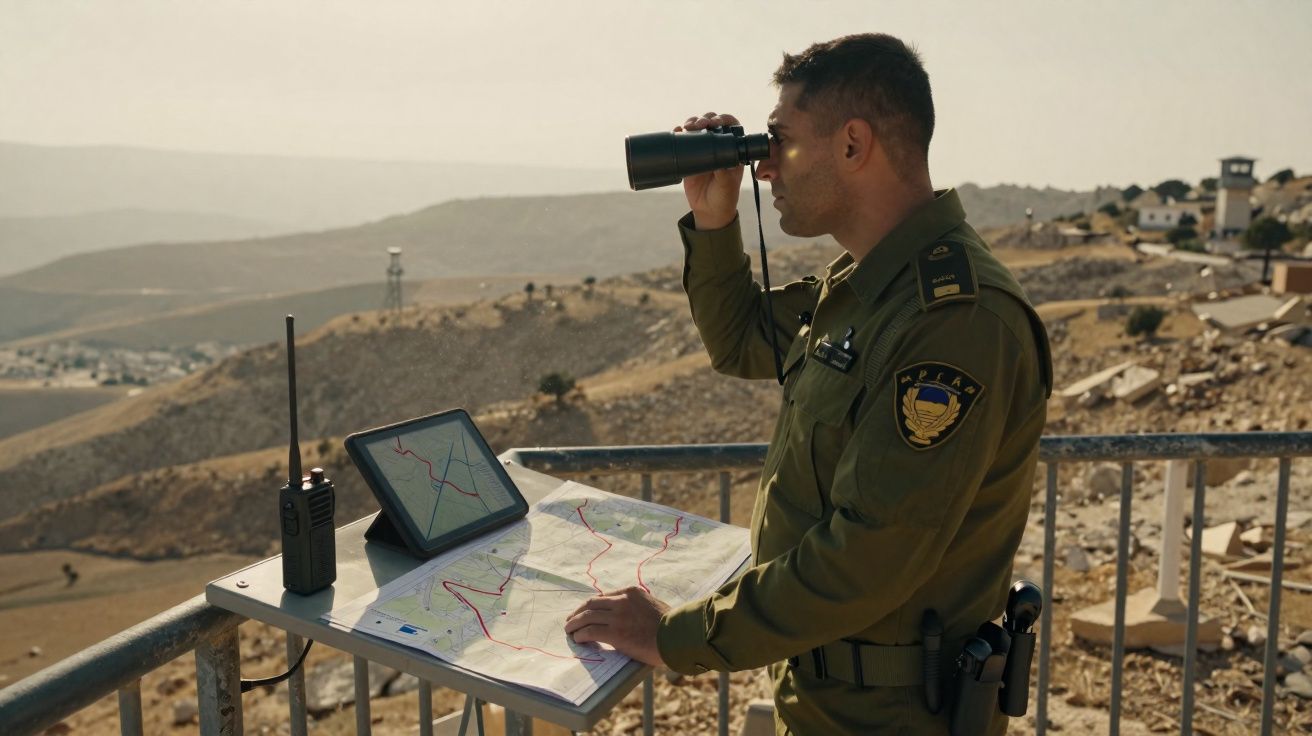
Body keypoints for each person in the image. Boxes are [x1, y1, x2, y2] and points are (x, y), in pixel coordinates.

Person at [565, 33, 1051, 734]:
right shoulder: (866, 287)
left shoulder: (953, 320)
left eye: (782, 142)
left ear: (853, 145)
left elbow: (866, 558)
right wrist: (715, 216)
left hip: (887, 719)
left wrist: (674, 637)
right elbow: (741, 339)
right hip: (825, 696)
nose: (766, 168)